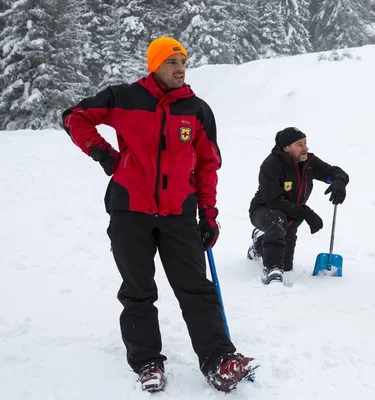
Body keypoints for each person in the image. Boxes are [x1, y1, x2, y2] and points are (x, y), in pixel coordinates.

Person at [62, 36, 257, 393]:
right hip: (129, 211)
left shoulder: (197, 110)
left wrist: (209, 215)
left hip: (179, 214)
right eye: (172, 62)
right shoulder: (124, 97)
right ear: (155, 66)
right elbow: (74, 117)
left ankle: (218, 360)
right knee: (138, 290)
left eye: (183, 62)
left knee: (197, 289)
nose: (180, 68)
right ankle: (147, 362)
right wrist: (105, 155)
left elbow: (207, 166)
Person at [247, 127, 349, 284]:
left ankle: (260, 241)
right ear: (286, 148)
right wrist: (306, 212)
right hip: (264, 211)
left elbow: (334, 171)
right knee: (277, 220)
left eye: (305, 143)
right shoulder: (271, 165)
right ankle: (272, 269)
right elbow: (274, 201)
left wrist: (339, 181)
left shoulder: (308, 162)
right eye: (299, 144)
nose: (305, 148)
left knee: (287, 265)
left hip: (292, 216)